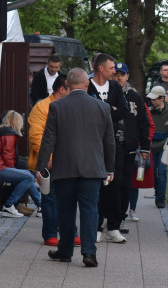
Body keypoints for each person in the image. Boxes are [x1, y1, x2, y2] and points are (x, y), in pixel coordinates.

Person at [36, 68, 115, 267]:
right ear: (87, 84)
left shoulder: (57, 107)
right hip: (93, 168)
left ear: (68, 85)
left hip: (65, 168)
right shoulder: (102, 107)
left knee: (66, 210)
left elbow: (48, 140)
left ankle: (65, 251)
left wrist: (41, 167)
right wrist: (110, 168)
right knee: (90, 210)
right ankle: (89, 253)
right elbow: (109, 142)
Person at [87, 52, 129, 243]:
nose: (115, 72)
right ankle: (95, 226)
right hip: (92, 143)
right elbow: (86, 112)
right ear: (101, 68)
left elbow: (123, 111)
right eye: (112, 68)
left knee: (115, 184)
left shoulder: (114, 87)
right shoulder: (87, 87)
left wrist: (105, 110)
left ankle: (113, 226)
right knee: (95, 186)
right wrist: (108, 109)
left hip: (113, 143)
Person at [29, 76, 69, 245]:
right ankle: (51, 233)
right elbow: (37, 136)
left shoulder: (69, 105)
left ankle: (68, 232)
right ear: (62, 89)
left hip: (68, 160)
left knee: (68, 197)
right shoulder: (42, 107)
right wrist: (49, 159)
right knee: (50, 197)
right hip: (49, 161)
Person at [114, 63, 152, 221]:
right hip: (112, 146)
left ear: (127, 76)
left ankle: (121, 216)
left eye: (122, 74)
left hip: (129, 146)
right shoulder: (109, 94)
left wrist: (144, 147)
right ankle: (108, 217)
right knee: (111, 183)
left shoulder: (135, 97)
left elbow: (144, 123)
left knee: (125, 183)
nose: (119, 77)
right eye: (116, 74)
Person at [0, 110, 42, 218]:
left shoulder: (3, 131)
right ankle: (8, 205)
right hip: (1, 168)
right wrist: (14, 171)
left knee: (28, 176)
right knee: (28, 176)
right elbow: (8, 155)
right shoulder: (9, 134)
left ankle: (41, 206)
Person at [145, 85, 168, 215]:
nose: (152, 101)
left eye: (155, 99)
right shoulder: (149, 112)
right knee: (153, 171)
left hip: (163, 146)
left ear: (162, 98)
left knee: (162, 171)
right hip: (151, 145)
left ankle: (161, 198)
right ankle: (157, 190)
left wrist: (165, 143)